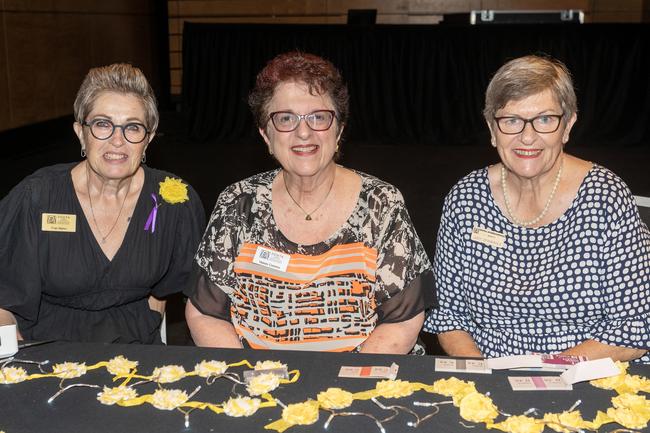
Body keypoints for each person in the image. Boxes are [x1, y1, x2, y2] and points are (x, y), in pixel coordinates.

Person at [185, 51, 434, 353]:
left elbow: (401, 321)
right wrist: (250, 378)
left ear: (339, 129)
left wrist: (344, 387)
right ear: (266, 134)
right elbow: (205, 313)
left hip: (356, 382)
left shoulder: (381, 203)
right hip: (256, 382)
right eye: (286, 118)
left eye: (318, 117)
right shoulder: (238, 203)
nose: (304, 132)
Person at [424, 55, 649, 362]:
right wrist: (481, 376)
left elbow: (635, 329)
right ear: (492, 128)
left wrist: (544, 373)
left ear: (567, 126)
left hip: (585, 374)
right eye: (511, 121)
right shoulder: (465, 199)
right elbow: (448, 315)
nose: (527, 137)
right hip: (489, 371)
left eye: (544, 119)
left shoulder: (606, 198)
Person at [0, 64, 205, 343]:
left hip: (137, 352)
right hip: (45, 347)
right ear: (80, 132)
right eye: (102, 124)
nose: (117, 141)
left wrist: (146, 330)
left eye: (132, 127)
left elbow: (169, 291)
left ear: (148, 139)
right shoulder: (35, 198)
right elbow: (4, 303)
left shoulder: (175, 202)